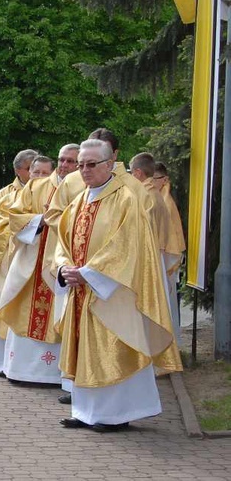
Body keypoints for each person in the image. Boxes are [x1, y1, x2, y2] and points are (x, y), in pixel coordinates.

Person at [55, 139, 182, 432]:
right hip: (80, 290)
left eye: (91, 164)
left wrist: (89, 273)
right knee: (84, 349)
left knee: (112, 349)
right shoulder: (78, 201)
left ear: (109, 164)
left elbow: (127, 246)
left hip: (114, 291)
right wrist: (64, 269)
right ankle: (85, 411)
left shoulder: (126, 199)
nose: (84, 170)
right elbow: (61, 243)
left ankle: (116, 414)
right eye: (81, 164)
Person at [0, 144, 79, 385]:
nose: (65, 165)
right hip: (34, 262)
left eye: (71, 161)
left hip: (62, 264)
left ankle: (59, 375)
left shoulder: (84, 190)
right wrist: (40, 220)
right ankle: (24, 371)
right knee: (27, 310)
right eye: (62, 159)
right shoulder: (36, 185)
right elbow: (15, 216)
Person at [0, 148, 37, 375]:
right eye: (31, 168)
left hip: (36, 262)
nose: (35, 173)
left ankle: (29, 366)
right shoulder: (6, 195)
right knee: (6, 307)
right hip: (9, 262)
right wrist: (32, 225)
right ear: (18, 170)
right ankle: (3, 364)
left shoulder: (49, 191)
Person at [153, 162, 186, 340]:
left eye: (155, 179)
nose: (152, 182)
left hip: (164, 259)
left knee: (167, 304)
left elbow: (169, 235)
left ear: (165, 180)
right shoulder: (158, 198)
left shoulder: (165, 201)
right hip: (159, 258)